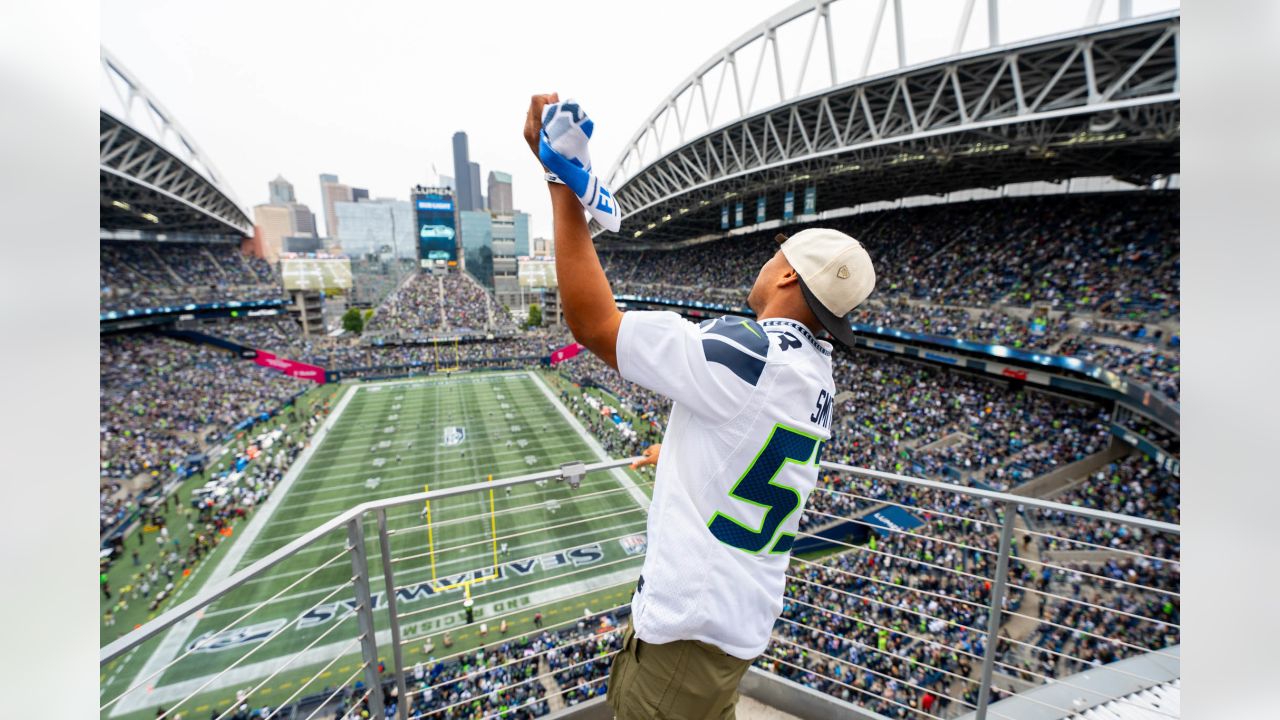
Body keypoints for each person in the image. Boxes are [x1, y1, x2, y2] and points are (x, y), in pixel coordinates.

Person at [523, 93, 875, 720]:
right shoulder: (815, 373)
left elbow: (593, 323)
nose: (766, 261)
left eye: (777, 252)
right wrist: (682, 452)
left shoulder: (750, 351)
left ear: (790, 276)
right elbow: (748, 444)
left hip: (686, 635)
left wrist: (558, 182)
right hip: (735, 624)